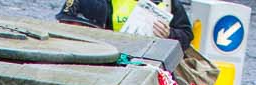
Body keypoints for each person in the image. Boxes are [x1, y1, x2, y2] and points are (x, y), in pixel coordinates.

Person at [56, 0, 195, 43]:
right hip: (111, 56)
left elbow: (187, 35)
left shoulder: (169, 2)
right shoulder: (100, 2)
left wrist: (169, 34)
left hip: (152, 63)